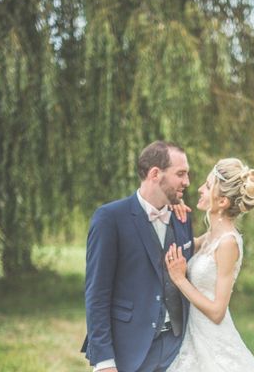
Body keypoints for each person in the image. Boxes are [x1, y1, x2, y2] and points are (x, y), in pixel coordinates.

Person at [81, 141, 195, 372]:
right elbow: (97, 294)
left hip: (177, 348)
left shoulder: (182, 218)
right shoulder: (110, 218)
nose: (187, 182)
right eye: (180, 174)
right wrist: (104, 362)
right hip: (129, 349)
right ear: (155, 173)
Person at [164, 158, 254, 372]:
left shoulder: (228, 243)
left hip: (213, 342)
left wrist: (180, 280)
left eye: (208, 185)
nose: (201, 189)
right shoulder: (211, 236)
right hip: (194, 336)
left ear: (222, 202)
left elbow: (217, 311)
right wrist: (171, 213)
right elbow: (178, 250)